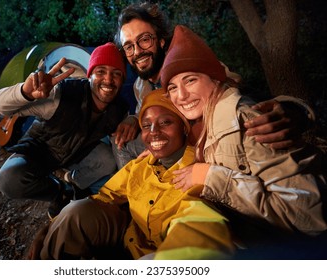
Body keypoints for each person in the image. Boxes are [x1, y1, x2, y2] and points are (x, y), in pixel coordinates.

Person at [160, 25, 327, 256]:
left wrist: (212, 177)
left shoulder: (248, 122)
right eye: (173, 87)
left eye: (190, 81)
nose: (181, 95)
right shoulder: (206, 120)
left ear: (216, 79)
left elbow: (307, 217)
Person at [34, 88, 235, 260]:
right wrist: (59, 224)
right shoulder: (140, 165)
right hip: (127, 239)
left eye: (165, 122)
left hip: (155, 254)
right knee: (76, 211)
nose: (154, 131)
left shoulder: (199, 172)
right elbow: (105, 197)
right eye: (146, 125)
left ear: (183, 126)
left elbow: (200, 227)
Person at [110, 2, 315, 170]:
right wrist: (133, 117)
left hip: (206, 148)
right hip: (177, 146)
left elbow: (235, 90)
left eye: (144, 40)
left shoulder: (188, 64)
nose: (137, 51)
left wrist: (292, 110)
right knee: (120, 141)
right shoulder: (140, 85)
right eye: (129, 46)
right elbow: (149, 110)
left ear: (162, 41)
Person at [0, 42, 129, 218]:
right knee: (9, 179)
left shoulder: (120, 108)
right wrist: (25, 92)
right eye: (100, 72)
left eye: (116, 74)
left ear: (123, 79)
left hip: (74, 154)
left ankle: (73, 184)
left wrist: (133, 120)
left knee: (108, 159)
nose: (108, 80)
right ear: (89, 75)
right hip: (41, 150)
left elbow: (132, 118)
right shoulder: (62, 94)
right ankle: (60, 192)